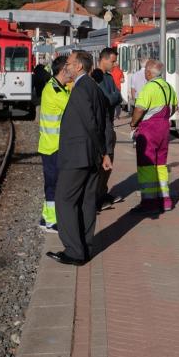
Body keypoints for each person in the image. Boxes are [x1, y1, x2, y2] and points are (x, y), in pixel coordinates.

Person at [47, 50, 112, 266]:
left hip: (78, 156)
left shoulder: (82, 88)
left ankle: (74, 251)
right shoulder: (94, 87)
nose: (66, 66)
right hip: (90, 156)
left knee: (64, 200)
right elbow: (104, 121)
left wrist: (103, 152)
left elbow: (92, 124)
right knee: (86, 202)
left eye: (69, 62)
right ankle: (84, 247)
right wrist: (103, 152)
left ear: (79, 67)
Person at [130, 60, 177, 213]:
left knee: (147, 164)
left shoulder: (148, 88)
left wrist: (133, 123)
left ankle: (149, 203)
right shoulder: (169, 87)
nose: (144, 74)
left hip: (149, 129)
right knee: (161, 164)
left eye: (145, 72)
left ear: (150, 73)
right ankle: (165, 200)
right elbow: (174, 108)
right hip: (164, 128)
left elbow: (139, 109)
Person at [37, 55, 71, 233]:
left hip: (52, 144)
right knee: (53, 184)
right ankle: (51, 221)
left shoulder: (59, 88)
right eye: (69, 68)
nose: (71, 71)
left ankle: (46, 218)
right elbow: (72, 107)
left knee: (52, 182)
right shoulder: (55, 91)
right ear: (62, 70)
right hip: (52, 146)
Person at [93, 48, 122, 209]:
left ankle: (102, 193)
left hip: (109, 125)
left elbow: (118, 97)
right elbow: (107, 99)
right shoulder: (96, 77)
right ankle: (97, 197)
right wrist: (113, 96)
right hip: (102, 126)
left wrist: (113, 96)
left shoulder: (109, 78)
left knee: (110, 160)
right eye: (112, 61)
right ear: (103, 60)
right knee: (103, 161)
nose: (114, 64)